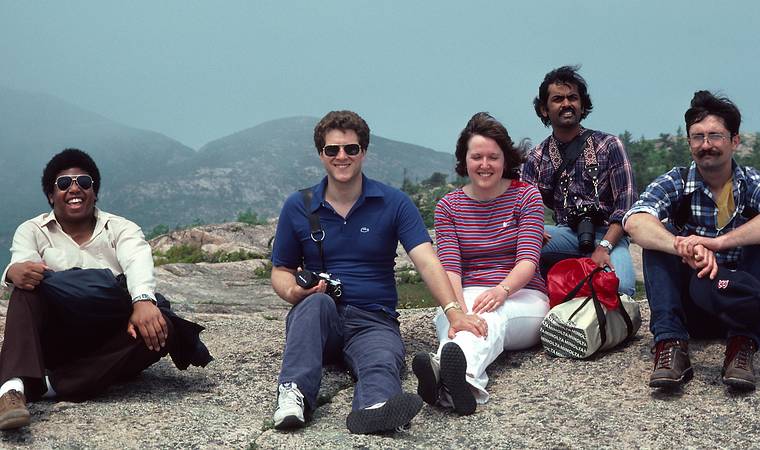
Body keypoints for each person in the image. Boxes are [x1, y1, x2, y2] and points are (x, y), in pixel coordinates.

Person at [270, 110, 486, 434]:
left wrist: (454, 313)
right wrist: (292, 292)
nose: (342, 156)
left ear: (364, 152)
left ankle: (375, 408)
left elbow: (427, 261)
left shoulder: (393, 202)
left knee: (383, 358)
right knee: (313, 305)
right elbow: (282, 270)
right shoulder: (298, 205)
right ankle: (294, 396)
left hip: (374, 318)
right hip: (320, 316)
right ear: (321, 155)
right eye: (333, 150)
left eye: (351, 149)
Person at [0, 149, 211, 431]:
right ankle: (11, 390)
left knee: (162, 328)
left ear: (94, 192)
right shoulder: (33, 230)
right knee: (26, 289)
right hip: (56, 335)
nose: (74, 188)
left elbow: (137, 259)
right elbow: (21, 263)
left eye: (84, 182)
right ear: (51, 195)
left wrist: (143, 301)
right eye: (64, 183)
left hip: (108, 336)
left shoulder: (120, 228)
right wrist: (12, 272)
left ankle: (47, 386)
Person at [412, 113, 548, 415]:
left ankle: (450, 375)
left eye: (492, 157)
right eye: (477, 157)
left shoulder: (526, 196)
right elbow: (450, 269)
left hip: (521, 295)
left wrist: (502, 290)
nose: (484, 165)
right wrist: (457, 311)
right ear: (465, 160)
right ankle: (461, 385)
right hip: (464, 292)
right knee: (459, 320)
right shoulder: (449, 206)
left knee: (492, 314)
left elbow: (528, 259)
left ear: (505, 159)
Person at [623, 91, 760, 390]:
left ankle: (741, 346)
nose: (706, 145)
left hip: (741, 304)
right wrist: (684, 245)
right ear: (689, 143)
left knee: (756, 238)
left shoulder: (751, 183)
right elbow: (635, 221)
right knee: (657, 239)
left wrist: (718, 243)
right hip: (690, 307)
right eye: (697, 137)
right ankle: (670, 345)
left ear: (734, 141)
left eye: (715, 136)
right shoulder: (677, 182)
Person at [522, 65, 637, 296]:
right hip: (565, 233)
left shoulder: (609, 145)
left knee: (621, 288)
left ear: (582, 105)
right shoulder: (536, 158)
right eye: (558, 99)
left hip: (608, 234)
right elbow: (522, 207)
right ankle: (541, 300)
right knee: (522, 244)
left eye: (572, 98)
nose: (566, 104)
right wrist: (531, 230)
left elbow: (626, 208)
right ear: (545, 109)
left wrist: (604, 246)